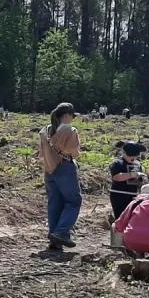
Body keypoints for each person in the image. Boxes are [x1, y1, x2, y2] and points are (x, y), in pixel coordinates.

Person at [38, 102, 82, 249]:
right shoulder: (70, 130)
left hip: (49, 169)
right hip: (65, 168)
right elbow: (73, 151)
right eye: (72, 116)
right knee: (73, 201)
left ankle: (54, 238)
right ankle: (61, 232)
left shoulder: (45, 130)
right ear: (67, 115)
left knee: (54, 204)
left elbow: (41, 153)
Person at [109, 141, 146, 219]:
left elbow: (139, 181)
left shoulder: (137, 164)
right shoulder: (118, 163)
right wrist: (131, 175)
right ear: (124, 153)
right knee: (121, 217)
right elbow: (116, 177)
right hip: (119, 195)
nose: (133, 158)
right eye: (130, 156)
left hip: (134, 195)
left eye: (135, 156)